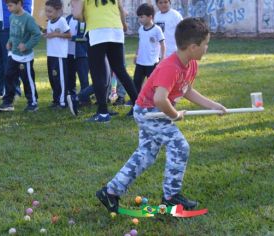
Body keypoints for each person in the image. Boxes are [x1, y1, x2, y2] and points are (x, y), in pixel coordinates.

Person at [96, 18, 227, 213]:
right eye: (206, 44)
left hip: (157, 111)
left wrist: (213, 105)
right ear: (193, 47)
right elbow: (159, 99)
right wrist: (174, 115)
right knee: (180, 146)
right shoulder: (170, 67)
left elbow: (186, 90)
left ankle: (110, 191)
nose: (207, 48)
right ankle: (171, 197)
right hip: (149, 112)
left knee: (146, 155)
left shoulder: (190, 64)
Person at [71, 0, 138, 123]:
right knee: (120, 70)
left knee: (98, 74)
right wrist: (123, 25)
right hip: (116, 30)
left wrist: (85, 19)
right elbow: (122, 12)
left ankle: (102, 113)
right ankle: (138, 107)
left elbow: (77, 15)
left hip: (97, 32)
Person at [0, 0, 41, 112]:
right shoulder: (12, 17)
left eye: (10, 5)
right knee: (8, 77)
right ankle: (8, 103)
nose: (8, 8)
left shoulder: (28, 19)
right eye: (7, 6)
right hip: (13, 55)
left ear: (19, 4)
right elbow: (13, 33)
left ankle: (33, 103)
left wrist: (27, 45)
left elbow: (36, 34)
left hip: (25, 58)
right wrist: (10, 41)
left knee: (27, 80)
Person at [0, 0, 32, 100]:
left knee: (10, 60)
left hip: (8, 22)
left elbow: (26, 2)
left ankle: (13, 91)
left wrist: (24, 18)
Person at [133, 3, 165, 94]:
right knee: (136, 81)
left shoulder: (157, 29)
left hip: (152, 62)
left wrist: (162, 58)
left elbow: (163, 44)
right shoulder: (140, 29)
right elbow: (140, 43)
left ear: (150, 17)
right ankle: (135, 100)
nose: (139, 19)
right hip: (140, 62)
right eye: (139, 17)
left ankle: (152, 101)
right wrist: (136, 55)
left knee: (153, 84)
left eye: (142, 17)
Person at [44, 0, 71, 108]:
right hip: (50, 54)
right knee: (53, 78)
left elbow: (69, 35)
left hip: (59, 55)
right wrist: (46, 33)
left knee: (60, 79)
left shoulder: (62, 21)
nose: (47, 13)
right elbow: (51, 34)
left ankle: (62, 102)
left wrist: (55, 34)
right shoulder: (49, 21)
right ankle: (56, 100)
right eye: (46, 11)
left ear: (58, 10)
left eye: (50, 11)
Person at [66, 12, 90, 102]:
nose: (73, 8)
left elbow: (86, 38)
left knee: (83, 79)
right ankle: (72, 97)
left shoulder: (85, 18)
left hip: (82, 54)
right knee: (70, 77)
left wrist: (72, 38)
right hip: (68, 53)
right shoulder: (67, 18)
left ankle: (85, 100)